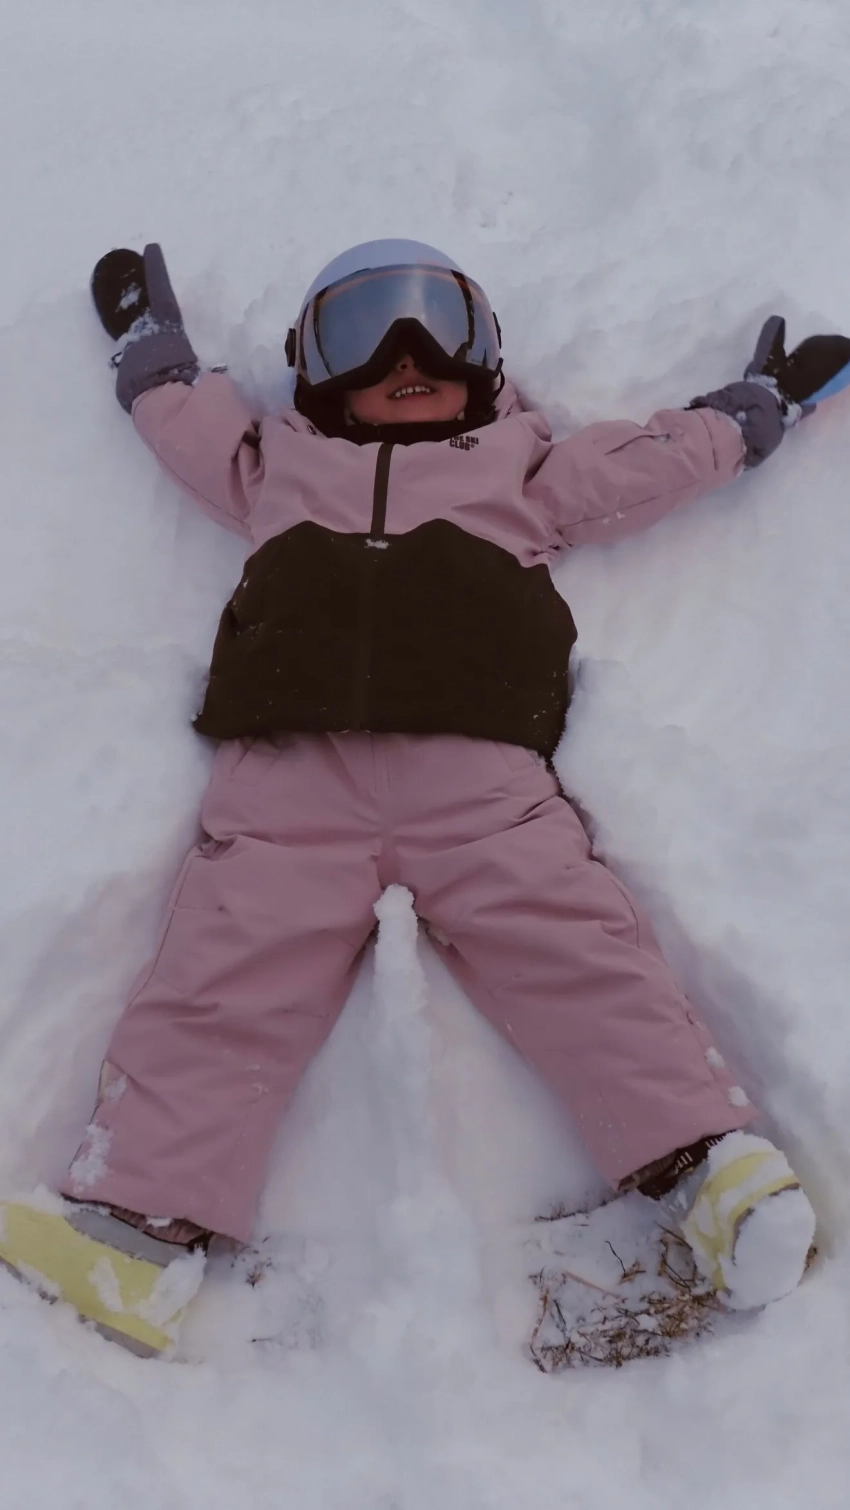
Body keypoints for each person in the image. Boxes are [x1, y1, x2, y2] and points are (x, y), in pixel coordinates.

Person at [0, 239, 827, 1357]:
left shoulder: (523, 468)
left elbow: (649, 463)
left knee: (577, 957)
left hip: (477, 779)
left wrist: (752, 410)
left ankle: (712, 1175)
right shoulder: (274, 467)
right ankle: (132, 1238)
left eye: (437, 328)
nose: (404, 355)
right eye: (363, 332)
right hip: (288, 786)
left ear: (484, 358)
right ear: (312, 370)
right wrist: (153, 348)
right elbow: (187, 425)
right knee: (223, 980)